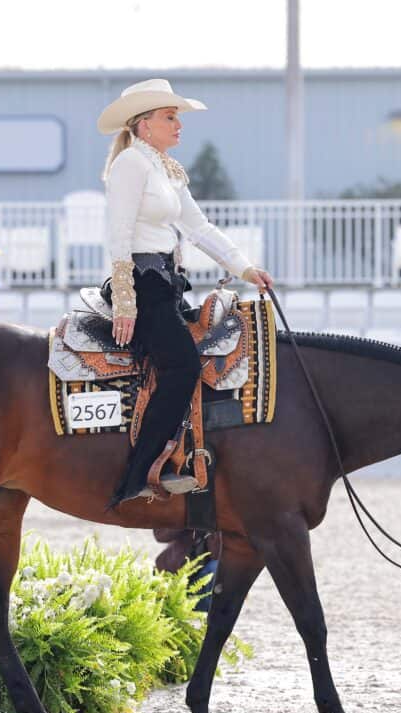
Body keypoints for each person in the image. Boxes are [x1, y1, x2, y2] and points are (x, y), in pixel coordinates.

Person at [98, 79, 273, 508]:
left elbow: (198, 228)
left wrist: (244, 267)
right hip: (142, 285)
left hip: (167, 283)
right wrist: (125, 301)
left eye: (177, 117)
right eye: (169, 117)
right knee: (182, 367)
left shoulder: (166, 169)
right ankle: (138, 476)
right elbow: (118, 236)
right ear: (144, 126)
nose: (179, 125)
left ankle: (191, 459)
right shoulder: (131, 165)